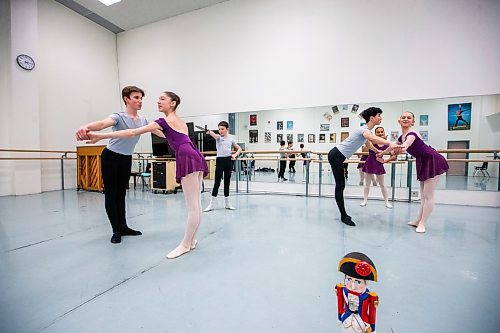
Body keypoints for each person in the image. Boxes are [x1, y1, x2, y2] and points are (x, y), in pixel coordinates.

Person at [86, 91, 208, 258]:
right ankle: (192, 240)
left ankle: (186, 244)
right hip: (195, 154)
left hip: (186, 156)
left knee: (192, 206)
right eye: (158, 99)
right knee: (197, 204)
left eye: (162, 99)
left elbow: (131, 133)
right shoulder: (179, 121)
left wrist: (100, 136)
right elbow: (172, 137)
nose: (158, 102)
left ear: (172, 103)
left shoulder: (163, 121)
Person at [75, 86, 150, 244]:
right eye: (136, 97)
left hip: (126, 158)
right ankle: (116, 230)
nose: (140, 101)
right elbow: (102, 124)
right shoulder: (118, 117)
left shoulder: (143, 121)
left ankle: (124, 227)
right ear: (126, 99)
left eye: (141, 98)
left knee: (121, 193)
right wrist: (86, 127)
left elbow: (160, 131)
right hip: (111, 157)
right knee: (111, 193)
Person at [327, 107, 401, 226]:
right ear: (372, 118)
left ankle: (343, 215)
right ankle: (343, 216)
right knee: (340, 186)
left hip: (338, 156)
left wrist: (377, 151)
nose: (380, 118)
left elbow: (368, 143)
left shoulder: (365, 131)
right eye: (379, 116)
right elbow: (371, 138)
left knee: (340, 185)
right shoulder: (364, 129)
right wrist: (390, 143)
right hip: (336, 155)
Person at [380, 111, 449, 233]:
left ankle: (423, 223)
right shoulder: (402, 136)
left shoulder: (412, 133)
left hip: (432, 160)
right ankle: (418, 220)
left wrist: (397, 150)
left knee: (428, 195)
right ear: (399, 120)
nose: (406, 119)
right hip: (423, 161)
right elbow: (393, 145)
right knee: (423, 195)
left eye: (409, 117)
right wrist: (382, 153)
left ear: (413, 121)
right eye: (403, 117)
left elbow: (405, 146)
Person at [335, 252, 379, 333]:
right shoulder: (343, 290)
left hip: (361, 325)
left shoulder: (369, 296)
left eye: (358, 282)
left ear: (365, 283)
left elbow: (372, 312)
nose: (352, 286)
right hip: (346, 322)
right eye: (349, 280)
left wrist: (373, 328)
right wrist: (339, 316)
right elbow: (340, 304)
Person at [203, 121, 242, 212]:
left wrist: (235, 155)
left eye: (222, 129)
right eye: (219, 129)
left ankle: (227, 204)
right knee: (217, 183)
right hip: (220, 161)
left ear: (227, 129)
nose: (220, 131)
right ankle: (211, 204)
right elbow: (215, 135)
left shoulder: (231, 138)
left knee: (227, 183)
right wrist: (210, 132)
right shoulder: (218, 138)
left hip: (228, 161)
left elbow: (239, 148)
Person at [360, 126, 396, 208]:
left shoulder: (387, 144)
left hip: (379, 165)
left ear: (384, 132)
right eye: (378, 132)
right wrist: (372, 140)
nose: (380, 133)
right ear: (375, 134)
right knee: (367, 184)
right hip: (369, 163)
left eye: (381, 132)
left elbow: (394, 156)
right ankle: (364, 200)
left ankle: (387, 202)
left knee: (382, 184)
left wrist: (385, 161)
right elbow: (365, 149)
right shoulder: (372, 141)